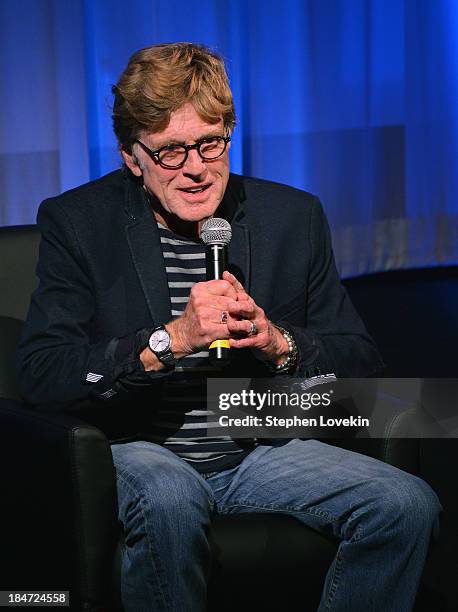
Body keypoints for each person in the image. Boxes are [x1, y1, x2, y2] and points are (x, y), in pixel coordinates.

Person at [17, 42, 441, 611]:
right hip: (140, 444)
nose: (195, 169)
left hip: (252, 441)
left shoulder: (292, 217)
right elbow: (44, 375)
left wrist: (280, 344)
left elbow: (359, 357)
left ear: (229, 133)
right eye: (170, 152)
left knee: (407, 503)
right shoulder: (78, 224)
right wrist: (174, 340)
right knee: (168, 496)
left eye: (210, 144)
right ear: (130, 156)